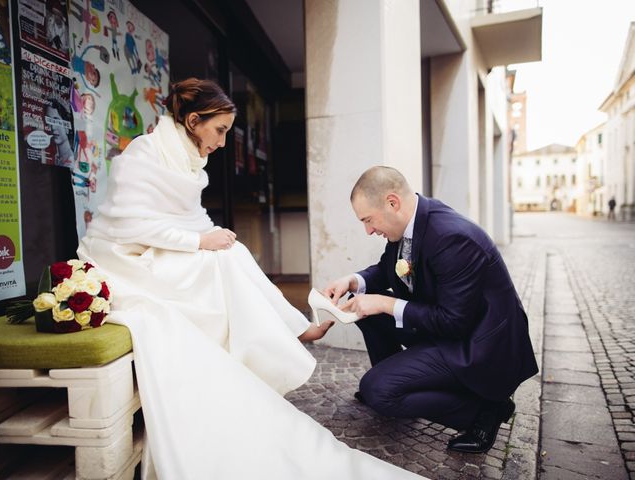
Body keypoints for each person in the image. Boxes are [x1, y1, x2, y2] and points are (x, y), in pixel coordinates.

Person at [77, 79, 423, 479]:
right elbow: (131, 225)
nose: (223, 143)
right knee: (216, 265)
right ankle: (285, 336)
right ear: (193, 120)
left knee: (231, 254)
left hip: (157, 250)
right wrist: (200, 241)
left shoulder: (188, 159)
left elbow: (190, 218)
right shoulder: (143, 155)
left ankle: (293, 329)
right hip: (123, 260)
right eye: (220, 130)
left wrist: (213, 237)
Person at [324, 166, 538, 454]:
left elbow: (453, 323)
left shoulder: (452, 238)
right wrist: (352, 280)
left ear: (392, 203)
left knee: (378, 389)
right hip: (448, 329)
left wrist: (385, 303)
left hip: (477, 346)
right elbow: (388, 270)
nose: (369, 230)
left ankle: (485, 411)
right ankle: (397, 382)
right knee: (365, 304)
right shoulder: (409, 223)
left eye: (368, 220)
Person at [45, 99, 74, 168]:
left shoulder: (70, 162)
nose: (53, 127)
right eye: (49, 121)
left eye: (56, 121)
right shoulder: (57, 158)